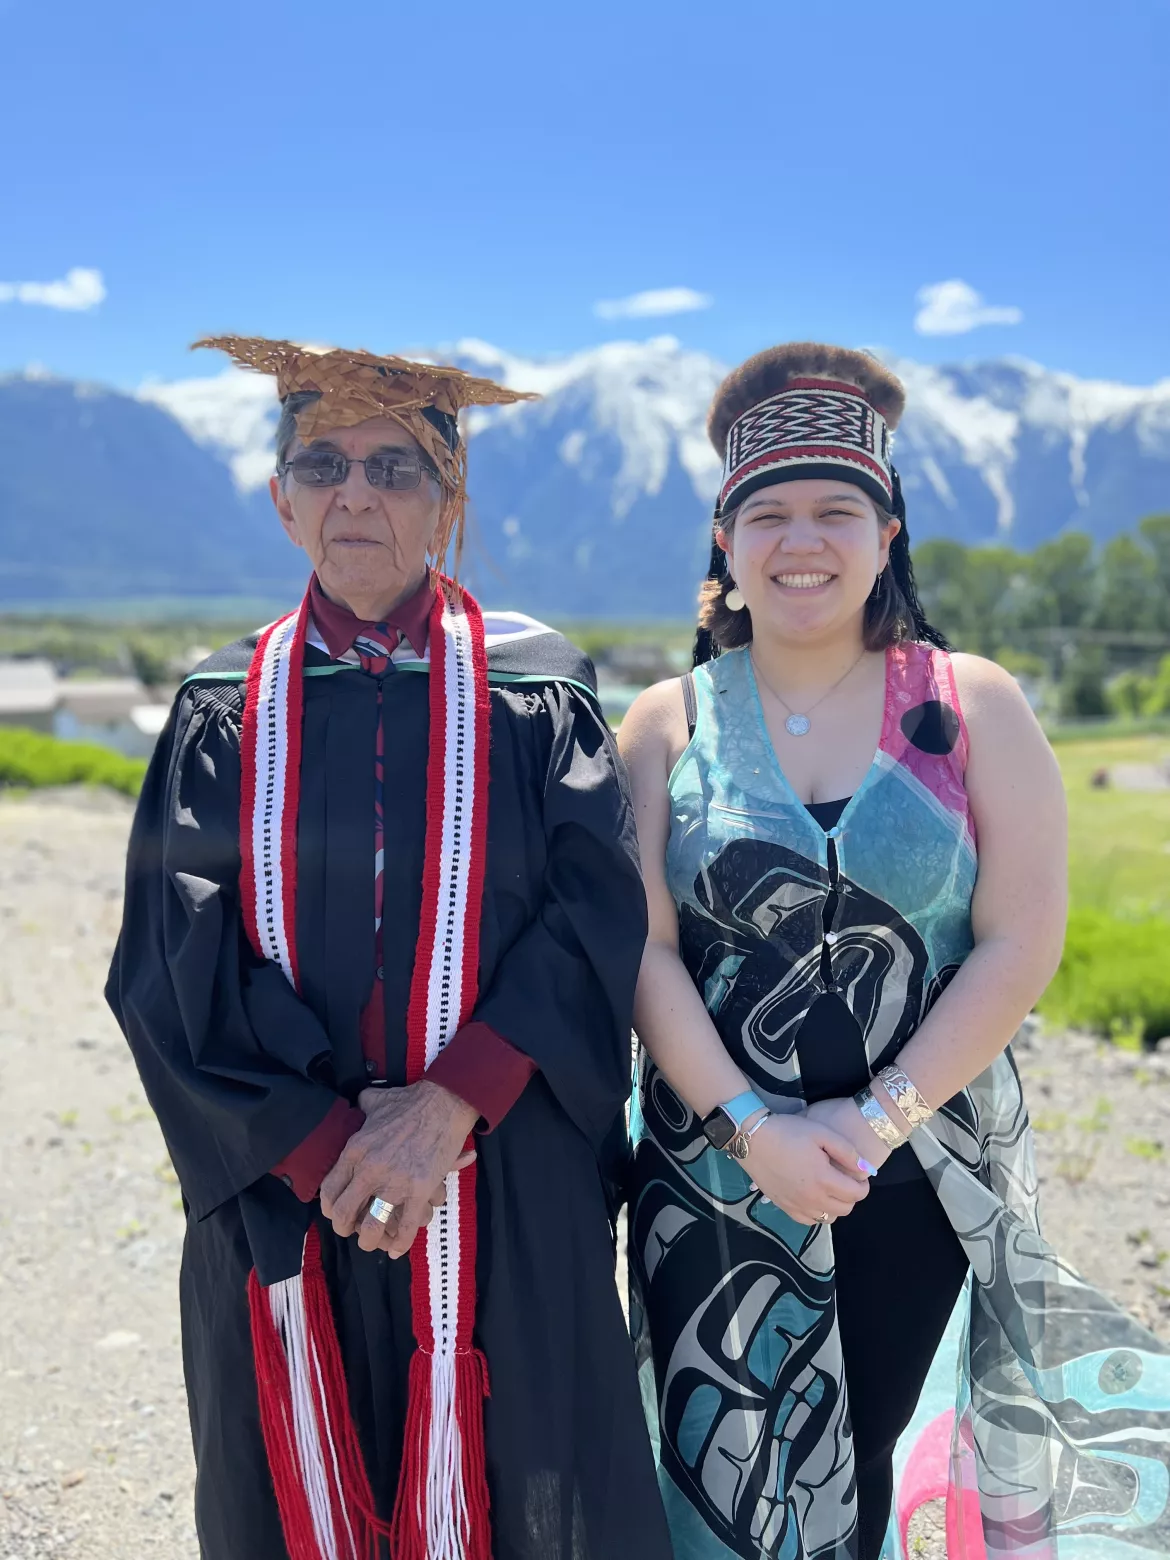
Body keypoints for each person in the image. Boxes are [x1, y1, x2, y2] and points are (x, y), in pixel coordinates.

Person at [106, 336, 673, 1560]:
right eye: (323, 463)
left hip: (501, 1177)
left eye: (396, 469)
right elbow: (170, 962)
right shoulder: (223, 704)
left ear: (450, 501)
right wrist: (335, 1154)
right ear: (282, 498)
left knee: (531, 1489)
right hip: (285, 1182)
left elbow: (591, 921)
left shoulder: (537, 693)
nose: (355, 493)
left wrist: (444, 1111)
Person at [620, 342, 1170, 1559]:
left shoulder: (973, 703)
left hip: (917, 1171)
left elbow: (1020, 940)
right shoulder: (665, 723)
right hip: (712, 1177)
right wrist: (756, 1132)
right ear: (725, 542)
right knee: (720, 1485)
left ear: (888, 528)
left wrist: (870, 1124)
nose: (799, 538)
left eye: (835, 509)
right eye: (766, 512)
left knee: (880, 1475)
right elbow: (645, 954)